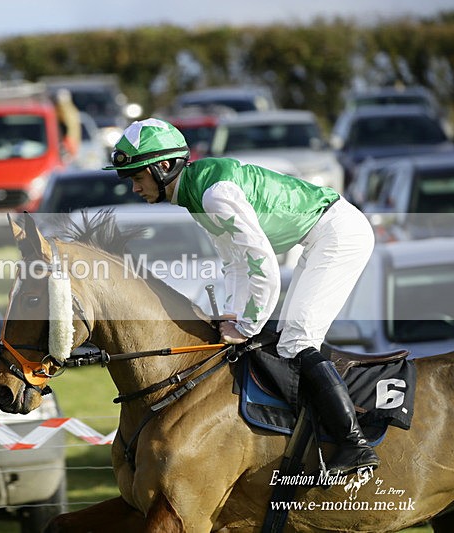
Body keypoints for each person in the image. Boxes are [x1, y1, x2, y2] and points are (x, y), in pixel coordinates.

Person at [104, 118, 379, 477]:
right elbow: (235, 263)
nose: (135, 188)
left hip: (339, 234)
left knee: (297, 341)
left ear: (164, 166)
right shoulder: (194, 193)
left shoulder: (213, 195)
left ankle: (354, 444)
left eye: (138, 177)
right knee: (289, 342)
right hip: (320, 236)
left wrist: (246, 325)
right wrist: (231, 316)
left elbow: (262, 265)